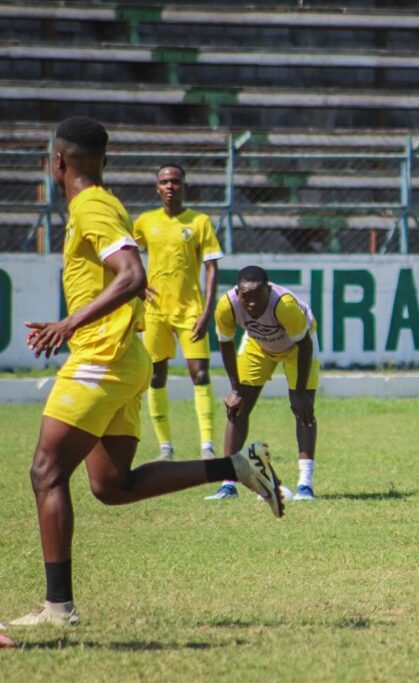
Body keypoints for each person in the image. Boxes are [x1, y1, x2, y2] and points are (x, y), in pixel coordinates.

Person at [0, 118, 284, 631]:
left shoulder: (90, 206)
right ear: (104, 161)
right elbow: (126, 273)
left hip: (101, 356)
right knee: (113, 485)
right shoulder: (106, 205)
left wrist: (69, 323)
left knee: (46, 472)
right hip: (124, 355)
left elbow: (132, 274)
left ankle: (58, 608)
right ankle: (237, 467)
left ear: (57, 162)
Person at [133, 163, 223, 462]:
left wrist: (207, 311)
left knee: (200, 374)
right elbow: (125, 252)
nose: (170, 186)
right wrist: (138, 283)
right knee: (156, 377)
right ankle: (165, 448)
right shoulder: (145, 222)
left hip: (191, 311)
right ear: (156, 188)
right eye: (164, 181)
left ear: (184, 186)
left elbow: (212, 268)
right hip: (155, 312)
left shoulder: (199, 222)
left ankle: (207, 446)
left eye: (175, 181)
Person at [207, 265, 319, 502]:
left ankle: (305, 486)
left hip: (297, 349)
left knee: (303, 410)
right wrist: (235, 389)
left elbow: (305, 345)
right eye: (246, 297)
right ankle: (228, 484)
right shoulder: (227, 306)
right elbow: (226, 344)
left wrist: (300, 393)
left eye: (258, 295)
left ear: (268, 289)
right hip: (258, 346)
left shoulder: (284, 306)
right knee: (238, 408)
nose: (252, 303)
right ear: (238, 293)